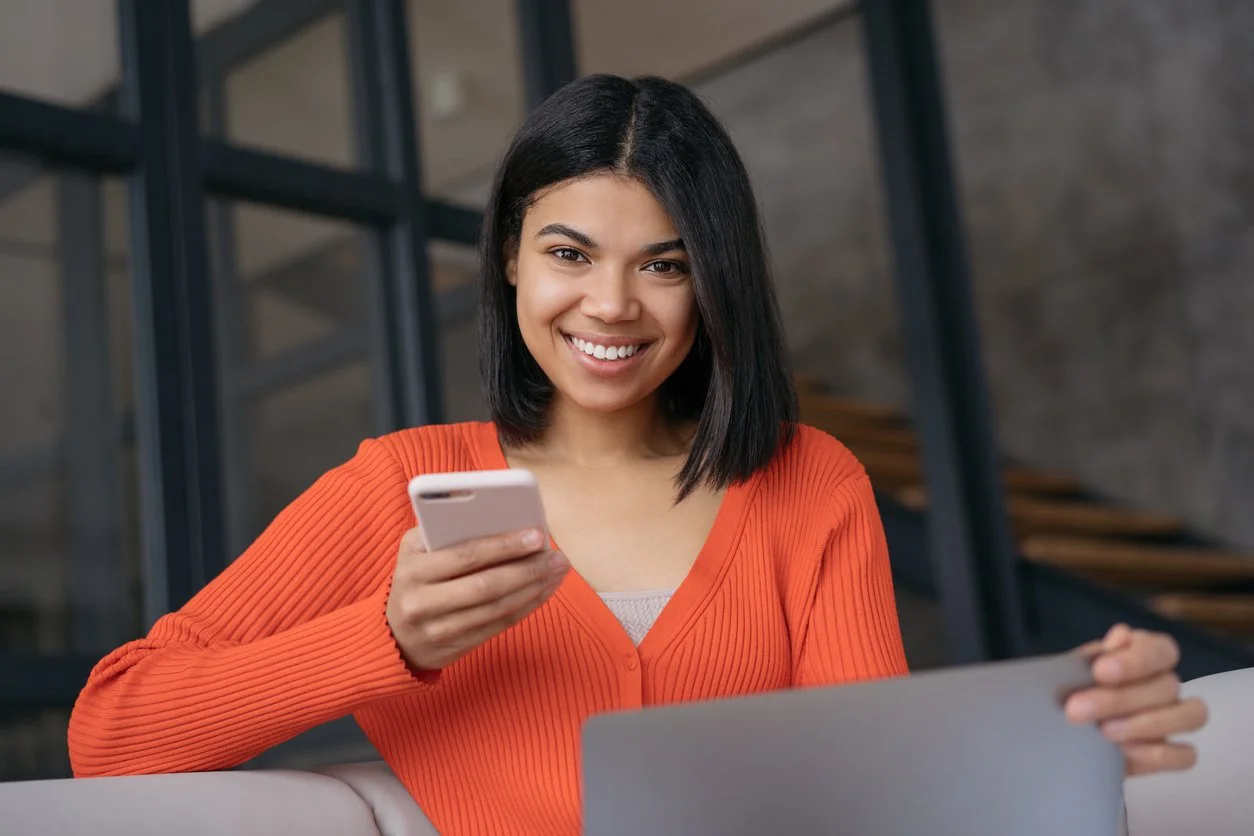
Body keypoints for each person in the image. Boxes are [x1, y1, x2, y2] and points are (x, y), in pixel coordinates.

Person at [67, 74, 1207, 834]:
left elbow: (875, 784)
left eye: (665, 264)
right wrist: (388, 641)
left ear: (714, 283)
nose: (612, 305)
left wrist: (1067, 730)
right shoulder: (392, 490)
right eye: (570, 252)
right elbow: (111, 732)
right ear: (510, 257)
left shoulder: (810, 482)